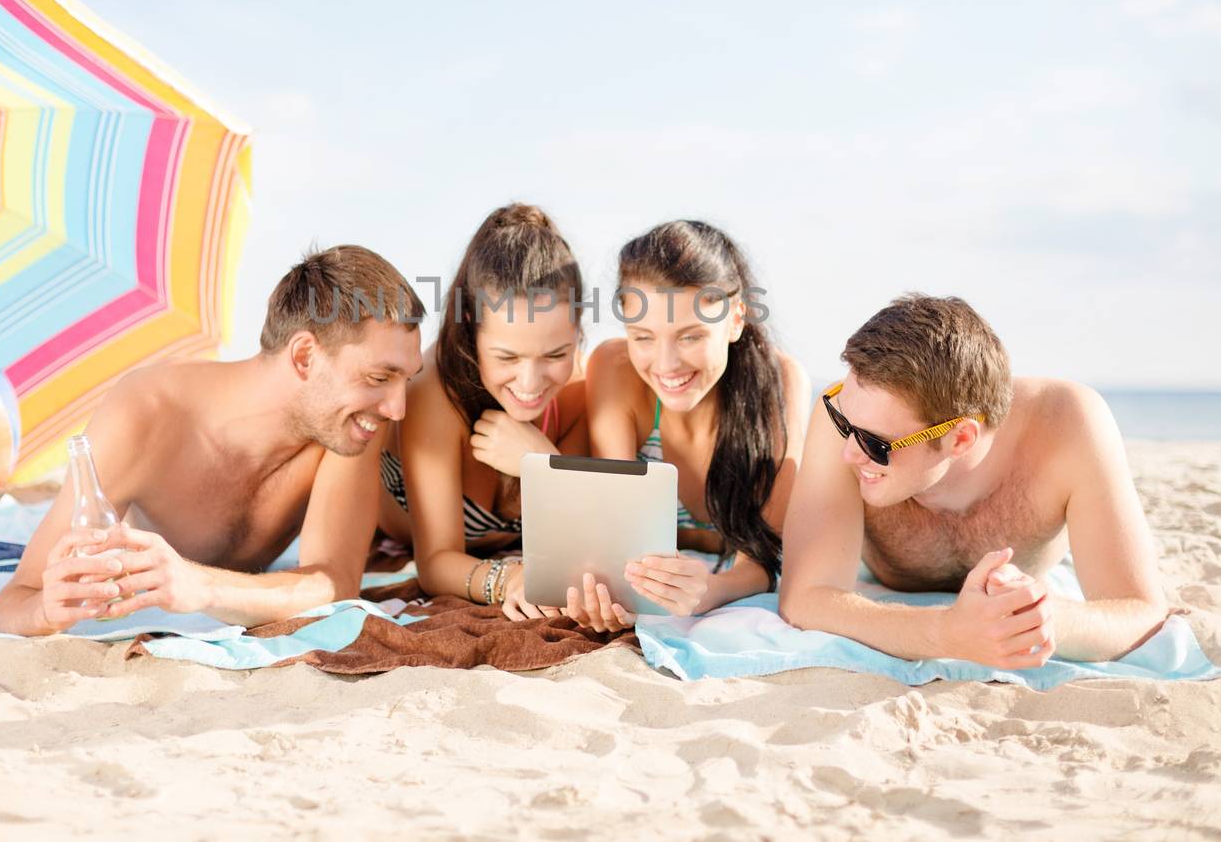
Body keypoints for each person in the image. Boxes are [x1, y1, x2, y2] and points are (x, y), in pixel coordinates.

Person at [0, 245, 425, 636]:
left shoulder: (347, 426)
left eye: (404, 380)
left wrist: (200, 586)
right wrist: (47, 613)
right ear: (305, 356)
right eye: (379, 377)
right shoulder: (147, 413)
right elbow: (14, 600)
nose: (396, 408)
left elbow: (334, 582)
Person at [778, 294, 1170, 666]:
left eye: (876, 444)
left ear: (960, 438)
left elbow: (1139, 611)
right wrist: (945, 633)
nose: (849, 452)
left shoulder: (1068, 424)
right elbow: (804, 598)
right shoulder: (851, 419)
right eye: (843, 422)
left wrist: (1042, 617)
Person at [580, 220, 809, 631]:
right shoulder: (613, 368)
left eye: (690, 337)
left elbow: (765, 558)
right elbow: (619, 535)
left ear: (736, 319)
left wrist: (709, 591)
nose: (666, 365)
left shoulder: (780, 381)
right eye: (643, 337)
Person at [377, 204, 589, 620]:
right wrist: (508, 580)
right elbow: (437, 561)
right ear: (472, 325)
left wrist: (544, 464)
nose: (530, 383)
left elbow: (585, 534)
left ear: (578, 329)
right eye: (506, 356)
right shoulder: (434, 392)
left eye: (556, 353)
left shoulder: (579, 391)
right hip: (391, 535)